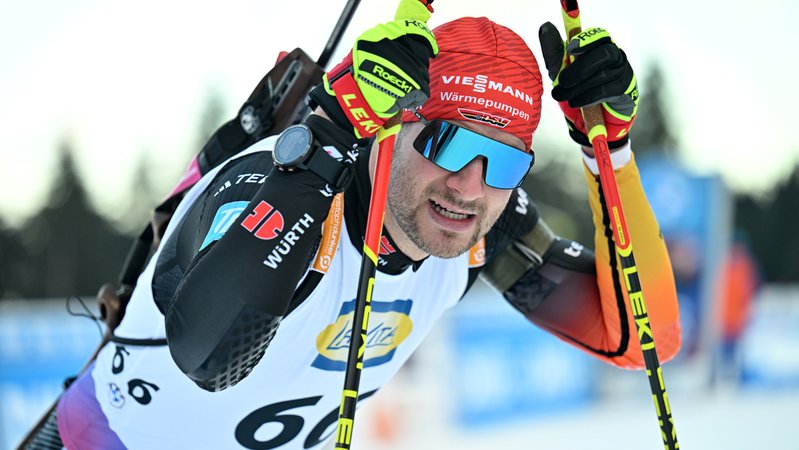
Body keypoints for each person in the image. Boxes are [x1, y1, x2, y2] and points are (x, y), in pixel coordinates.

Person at [53, 0, 681, 448]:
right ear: (388, 129)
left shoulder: (482, 228)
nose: (469, 187)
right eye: (445, 144)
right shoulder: (276, 178)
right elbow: (210, 352)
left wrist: (612, 155)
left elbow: (643, 341)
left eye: (506, 162)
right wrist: (328, 133)